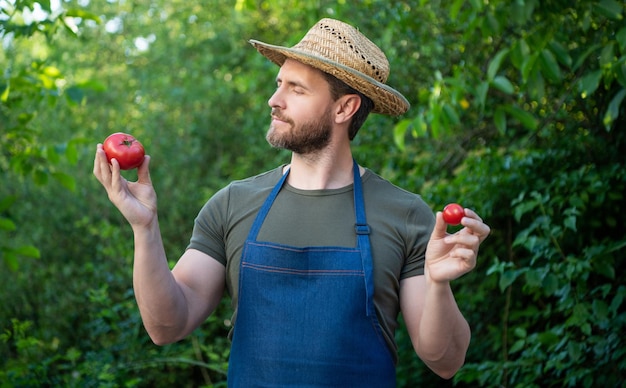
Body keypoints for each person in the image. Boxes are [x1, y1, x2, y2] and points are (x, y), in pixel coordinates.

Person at [93, 18, 490, 387]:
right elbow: (167, 327)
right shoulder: (232, 205)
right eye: (279, 83)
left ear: (344, 107)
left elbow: (445, 360)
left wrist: (438, 284)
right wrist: (144, 228)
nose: (274, 100)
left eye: (295, 89)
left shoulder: (405, 214)